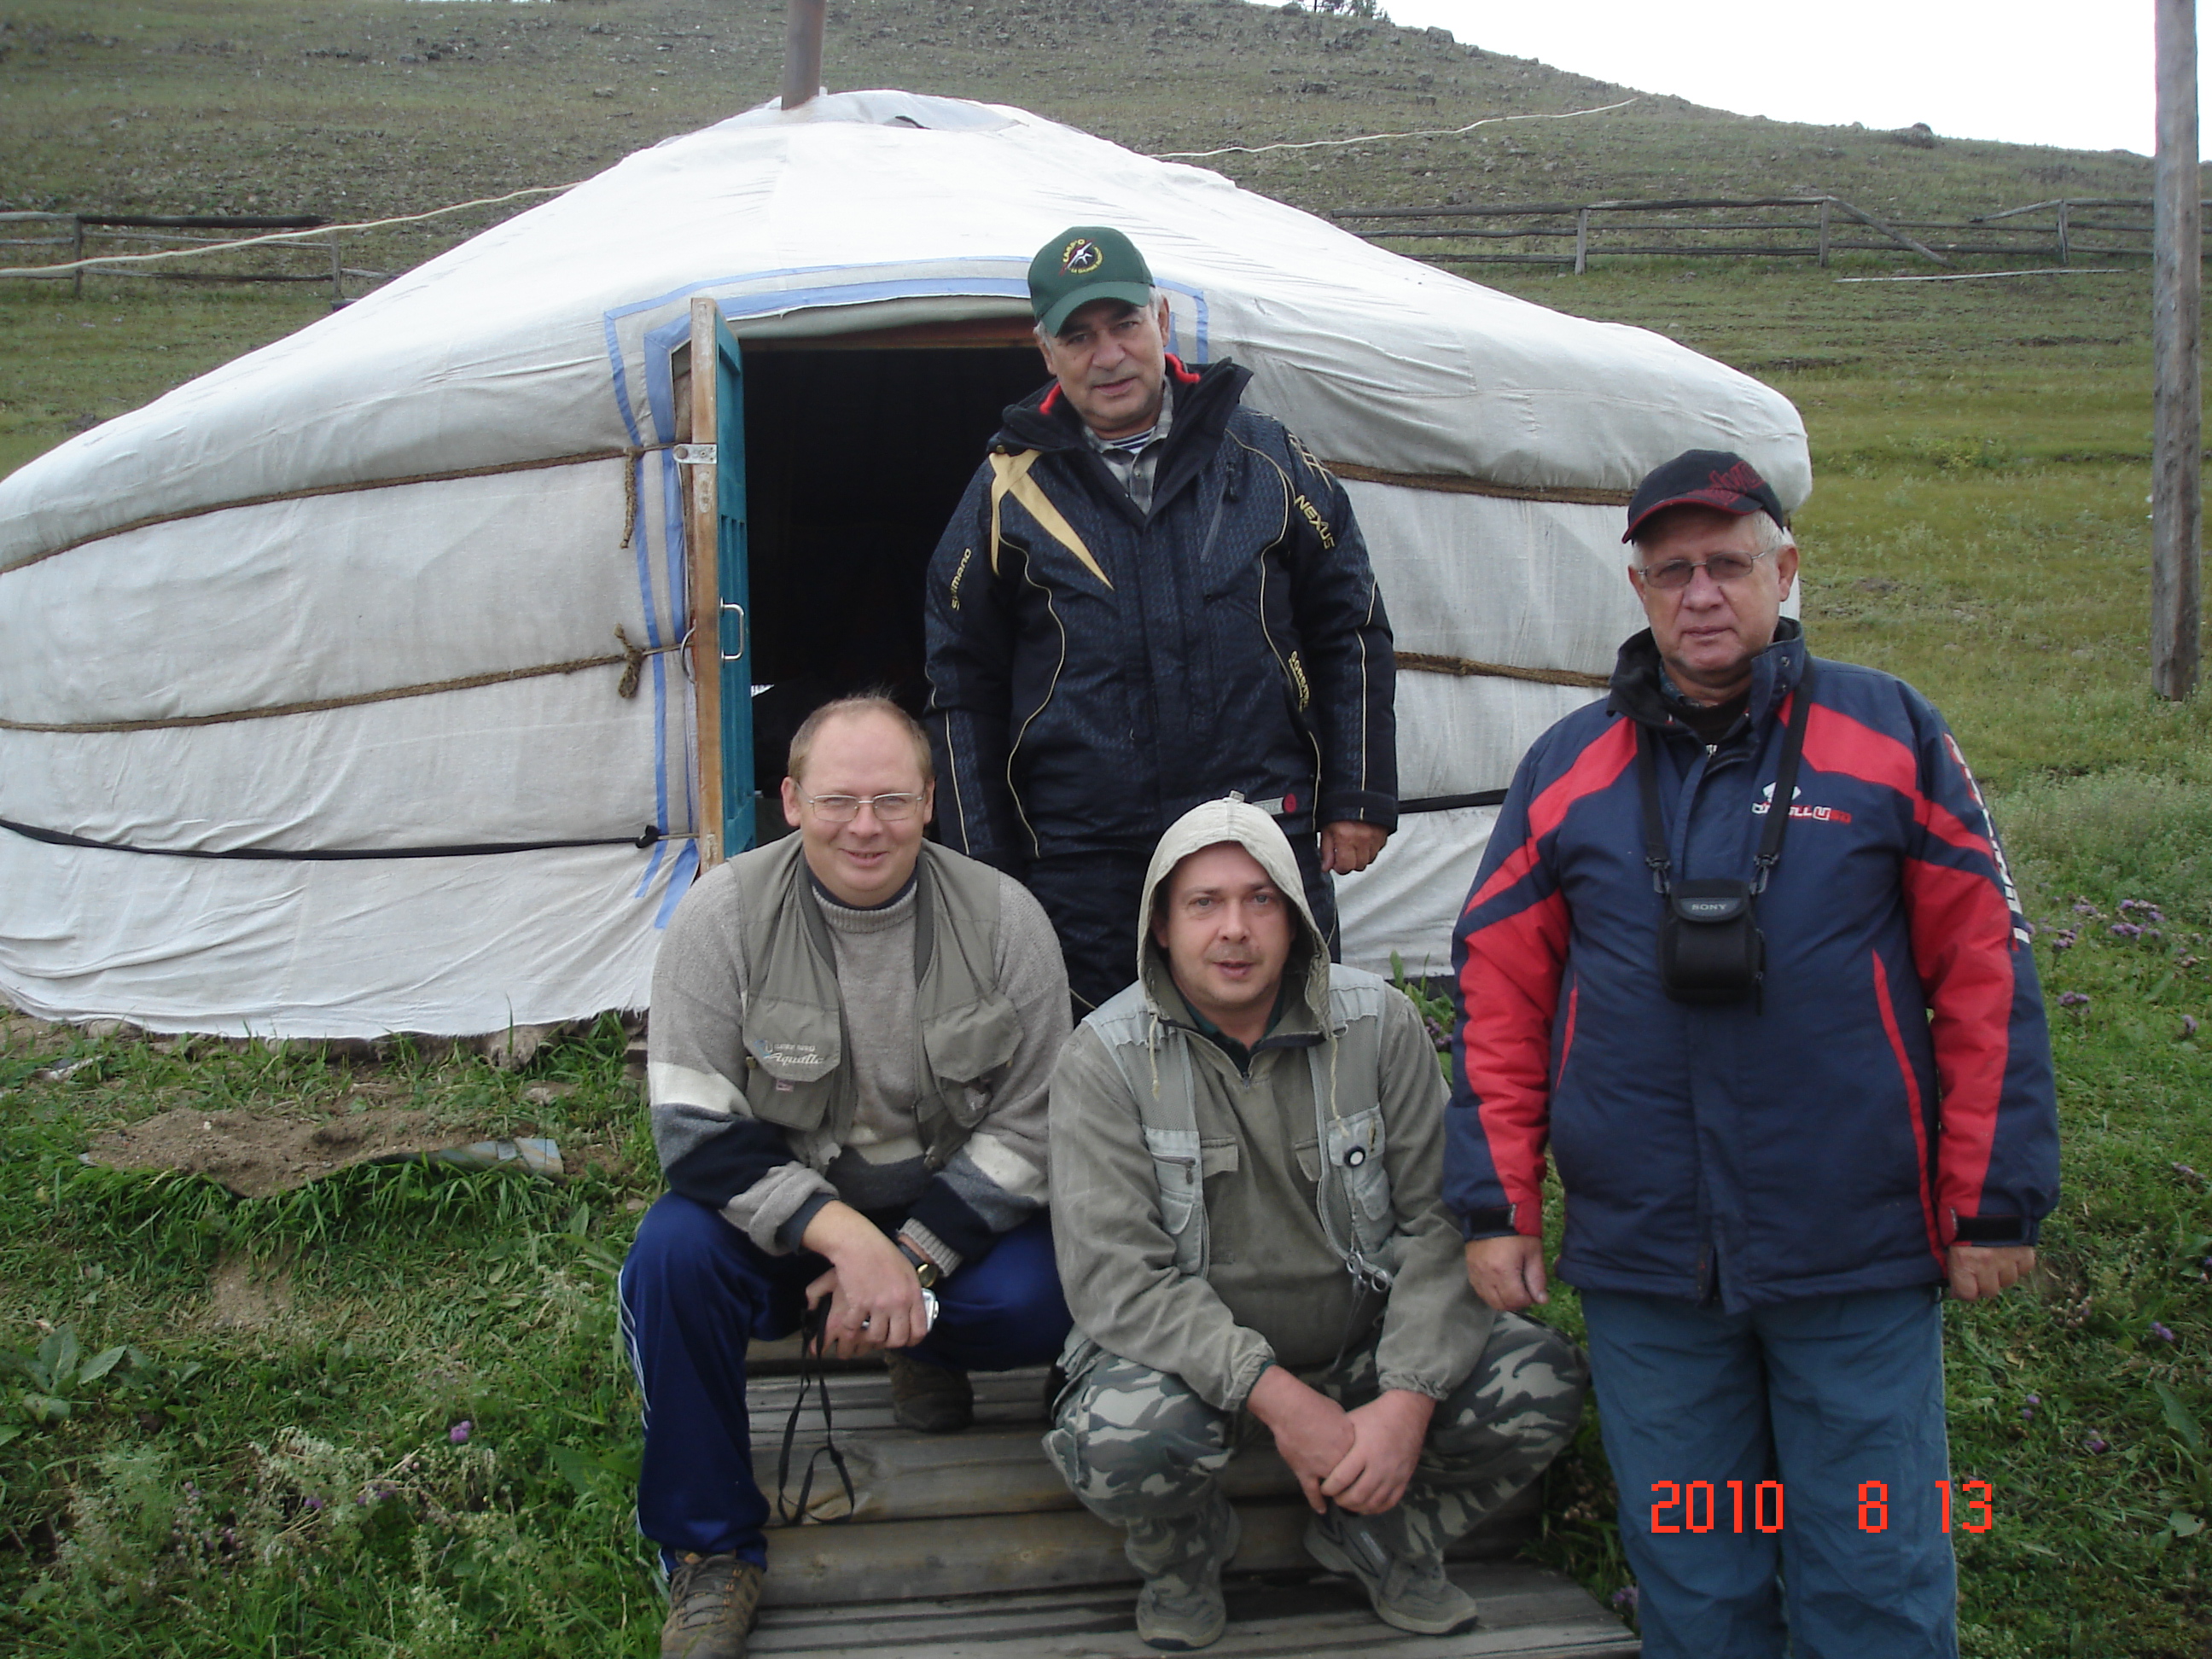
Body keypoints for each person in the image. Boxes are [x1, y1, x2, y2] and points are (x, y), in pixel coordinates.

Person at [1446, 451, 2061, 1658]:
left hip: (1854, 1248)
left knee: (1876, 1566)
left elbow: (1985, 970)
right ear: (1638, 588)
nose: (1701, 594)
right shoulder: (1566, 767)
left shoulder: (1891, 733)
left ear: (1784, 570)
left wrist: (1994, 1200)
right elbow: (1500, 997)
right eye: (1672, 570)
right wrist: (1496, 1204)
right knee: (1698, 1579)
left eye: (1727, 564)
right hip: (1649, 1261)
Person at [1046, 796, 1586, 1651]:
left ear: (1297, 918)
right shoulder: (1103, 1058)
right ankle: (1185, 1556)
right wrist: (1278, 1398)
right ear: (1161, 927)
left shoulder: (1382, 1027)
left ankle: (1385, 1534)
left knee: (1540, 1378)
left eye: (1261, 900)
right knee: (1122, 1441)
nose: (1235, 929)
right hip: (1191, 1374)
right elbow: (1118, 1279)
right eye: (1204, 903)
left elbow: (1443, 1224)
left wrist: (1407, 1399)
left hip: (1364, 1350)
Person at [620, 696, 1074, 1659]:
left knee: (1052, 1290)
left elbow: (1035, 1124)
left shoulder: (1006, 921)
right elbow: (693, 1129)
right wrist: (848, 1243)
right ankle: (710, 1549)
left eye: (891, 801)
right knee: (670, 1258)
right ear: (790, 801)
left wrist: (909, 1260)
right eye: (837, 801)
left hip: (946, 1220)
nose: (865, 827)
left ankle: (923, 1343)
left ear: (929, 803)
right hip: (786, 1228)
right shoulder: (719, 920)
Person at [924, 224, 1398, 1012]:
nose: (1107, 355)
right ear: (1046, 352)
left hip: (1258, 829)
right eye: (1078, 337)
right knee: (1102, 1061)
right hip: (1085, 855)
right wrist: (983, 866)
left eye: (1124, 325)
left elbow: (1350, 622)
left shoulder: (1266, 457)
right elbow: (959, 684)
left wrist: (1358, 794)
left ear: (1163, 320)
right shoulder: (1005, 491)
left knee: (1284, 1042)